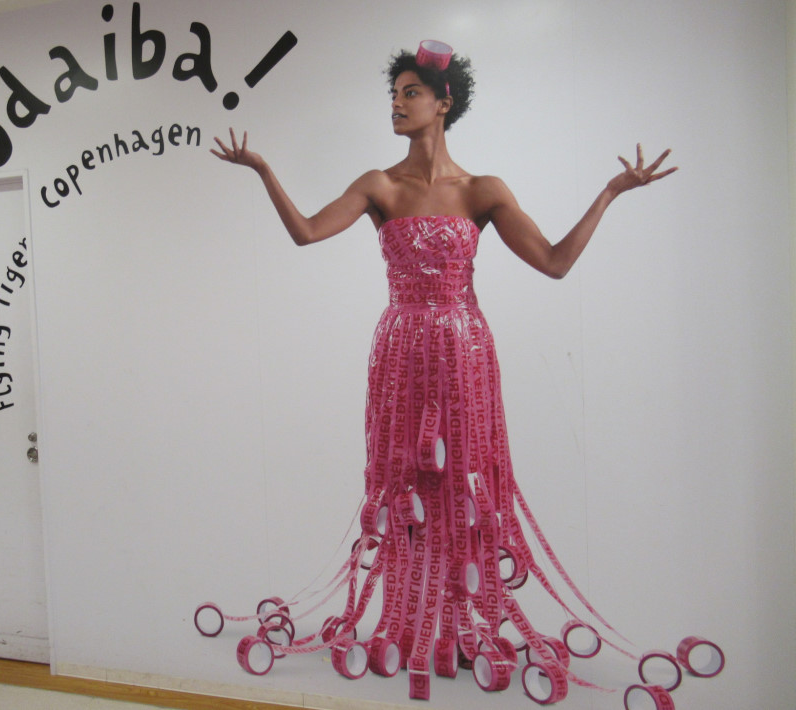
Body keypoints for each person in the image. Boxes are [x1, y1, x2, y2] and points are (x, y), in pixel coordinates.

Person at [200, 42, 719, 705]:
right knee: (404, 486)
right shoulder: (379, 185)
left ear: (444, 102)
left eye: (410, 92)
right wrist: (264, 171)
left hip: (465, 352)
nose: (396, 103)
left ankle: (462, 626)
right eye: (393, 94)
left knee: (466, 484)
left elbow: (555, 262)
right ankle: (408, 626)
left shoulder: (483, 191)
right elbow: (305, 231)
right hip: (401, 353)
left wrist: (611, 193)